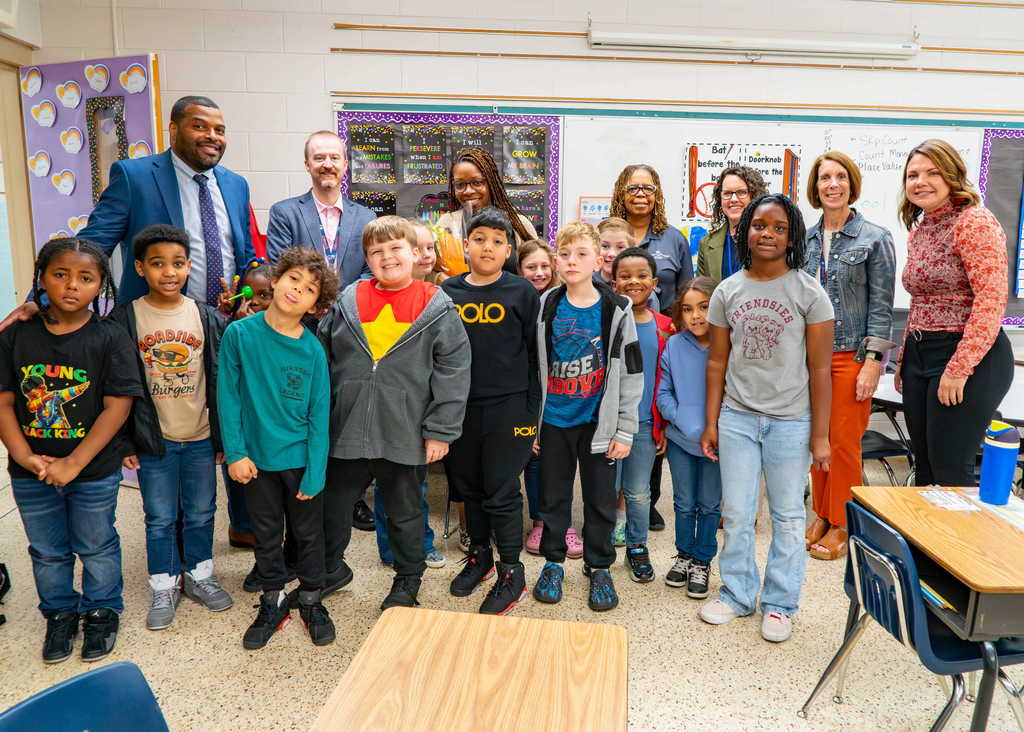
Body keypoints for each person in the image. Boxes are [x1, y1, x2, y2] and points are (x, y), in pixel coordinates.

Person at [0, 238, 143, 663]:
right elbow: (5, 402)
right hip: (32, 471)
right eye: (60, 274)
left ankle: (101, 608)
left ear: (101, 286)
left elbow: (119, 406)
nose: (71, 286)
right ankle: (59, 612)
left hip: (93, 468)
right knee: (46, 549)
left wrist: (75, 462)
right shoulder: (16, 337)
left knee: (96, 542)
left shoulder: (110, 338)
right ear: (41, 278)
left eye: (86, 278)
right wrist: (26, 457)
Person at [699, 194, 833, 644]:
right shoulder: (727, 291)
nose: (768, 234)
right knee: (736, 513)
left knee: (789, 517)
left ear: (793, 235)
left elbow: (819, 369)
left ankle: (780, 604)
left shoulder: (809, 292)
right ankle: (737, 593)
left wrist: (820, 437)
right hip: (737, 417)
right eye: (759, 225)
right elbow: (717, 362)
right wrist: (712, 421)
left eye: (779, 227)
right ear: (745, 231)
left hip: (791, 423)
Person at [318, 216, 470, 610]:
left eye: (396, 248)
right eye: (376, 252)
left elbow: (453, 372)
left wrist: (440, 430)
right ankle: (329, 568)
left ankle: (407, 579)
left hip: (405, 429)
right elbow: (322, 359)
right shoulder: (348, 301)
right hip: (346, 428)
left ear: (416, 253)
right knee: (332, 506)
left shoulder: (436, 306)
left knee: (405, 511)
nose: (387, 257)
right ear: (366, 258)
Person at [2, 97, 252, 318]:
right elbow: (93, 244)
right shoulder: (135, 176)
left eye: (219, 130)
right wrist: (41, 299)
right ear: (173, 130)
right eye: (199, 126)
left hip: (227, 322)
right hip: (152, 327)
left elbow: (244, 254)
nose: (212, 136)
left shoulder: (236, 185)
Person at [110, 224, 232, 631]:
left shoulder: (205, 316)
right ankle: (164, 583)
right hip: (154, 440)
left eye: (178, 263)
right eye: (158, 264)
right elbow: (117, 387)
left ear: (189, 266)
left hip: (199, 437)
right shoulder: (126, 319)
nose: (169, 272)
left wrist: (222, 437)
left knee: (201, 511)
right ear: (141, 268)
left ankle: (199, 576)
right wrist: (125, 440)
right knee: (159, 516)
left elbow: (219, 380)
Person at [217, 247, 339, 650]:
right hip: (255, 462)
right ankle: (273, 600)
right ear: (275, 278)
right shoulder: (240, 335)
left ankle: (311, 599)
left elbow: (320, 416)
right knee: (267, 535)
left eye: (308, 289)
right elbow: (228, 398)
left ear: (315, 305)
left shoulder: (312, 351)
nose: (296, 290)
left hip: (301, 460)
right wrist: (235, 453)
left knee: (308, 535)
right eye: (293, 280)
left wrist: (316, 471)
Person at [531, 221, 643, 613]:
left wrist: (625, 429)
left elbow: (631, 373)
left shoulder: (616, 310)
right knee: (553, 496)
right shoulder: (546, 305)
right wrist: (533, 423)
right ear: (555, 260)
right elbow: (535, 367)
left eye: (581, 254)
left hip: (600, 424)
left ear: (599, 261)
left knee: (599, 499)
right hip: (555, 421)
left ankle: (599, 567)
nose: (572, 261)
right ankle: (554, 562)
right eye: (565, 254)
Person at [896, 139, 1012, 488]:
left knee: (950, 472)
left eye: (932, 172)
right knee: (925, 468)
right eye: (913, 174)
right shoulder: (920, 230)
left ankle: (959, 544)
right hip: (920, 354)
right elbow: (920, 301)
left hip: (968, 356)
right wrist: (905, 357)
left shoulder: (974, 222)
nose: (920, 181)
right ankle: (921, 545)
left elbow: (991, 300)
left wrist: (959, 368)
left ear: (951, 175)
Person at [443, 207, 540, 615]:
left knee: (501, 491)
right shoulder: (447, 291)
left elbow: (538, 360)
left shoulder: (522, 292)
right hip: (460, 410)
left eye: (498, 241)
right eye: (480, 239)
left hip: (510, 409)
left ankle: (511, 571)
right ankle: (480, 557)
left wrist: (534, 421)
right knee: (470, 488)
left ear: (509, 250)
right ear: (466, 245)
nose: (488, 247)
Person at [802, 152, 896, 561]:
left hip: (851, 355)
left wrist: (874, 362)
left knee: (842, 443)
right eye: (825, 177)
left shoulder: (874, 237)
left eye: (840, 176)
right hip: (811, 358)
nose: (833, 184)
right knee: (816, 440)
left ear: (851, 184)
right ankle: (822, 512)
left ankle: (842, 521)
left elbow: (882, 306)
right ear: (816, 186)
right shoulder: (804, 238)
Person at [370, 218, 448, 572]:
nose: (426, 254)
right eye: (419, 247)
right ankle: (394, 549)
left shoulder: (442, 294)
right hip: (385, 411)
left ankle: (419, 544)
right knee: (393, 486)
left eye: (431, 247)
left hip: (421, 409)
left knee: (413, 487)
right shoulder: (374, 294)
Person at [611, 247, 673, 584]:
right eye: (625, 276)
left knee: (637, 492)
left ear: (654, 282)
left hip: (645, 423)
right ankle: (600, 545)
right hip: (606, 424)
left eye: (641, 275)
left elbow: (668, 379)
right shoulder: (605, 318)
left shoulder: (665, 327)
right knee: (605, 487)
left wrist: (663, 423)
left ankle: (637, 546)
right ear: (614, 282)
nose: (633, 281)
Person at [657, 276, 722, 599]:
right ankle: (683, 555)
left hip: (718, 446)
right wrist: (683, 421)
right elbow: (664, 393)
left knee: (709, 505)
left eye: (704, 307)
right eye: (688, 309)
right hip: (682, 440)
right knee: (683, 503)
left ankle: (702, 560)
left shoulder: (728, 345)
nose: (696, 316)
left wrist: (716, 430)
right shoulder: (673, 345)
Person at [517, 240, 582, 559]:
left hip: (559, 393)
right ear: (519, 270)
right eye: (531, 267)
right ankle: (540, 521)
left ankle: (564, 523)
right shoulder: (517, 299)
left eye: (545, 266)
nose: (540, 272)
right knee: (534, 457)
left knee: (560, 461)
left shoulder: (563, 301)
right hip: (525, 394)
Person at [265, 130, 377, 291]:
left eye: (334, 158)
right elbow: (278, 269)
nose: (327, 164)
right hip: (301, 312)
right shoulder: (284, 213)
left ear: (345, 165)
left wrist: (343, 304)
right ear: (307, 165)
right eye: (319, 158)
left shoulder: (366, 218)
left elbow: (370, 271)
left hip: (350, 312)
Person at [437, 148, 538, 272]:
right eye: (460, 185)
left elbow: (537, 269)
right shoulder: (445, 224)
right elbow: (429, 269)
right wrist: (439, 278)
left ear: (491, 182)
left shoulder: (519, 224)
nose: (468, 191)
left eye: (477, 182)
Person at [609, 164, 693, 313]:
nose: (641, 194)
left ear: (657, 195)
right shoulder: (606, 237)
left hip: (665, 330)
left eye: (648, 188)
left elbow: (687, 295)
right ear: (621, 194)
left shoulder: (675, 239)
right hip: (613, 327)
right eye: (632, 188)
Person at [696, 166, 769, 285]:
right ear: (720, 198)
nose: (733, 199)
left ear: (754, 196)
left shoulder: (770, 239)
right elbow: (702, 293)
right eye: (728, 193)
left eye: (741, 192)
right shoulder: (706, 244)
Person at [596, 217, 632, 287]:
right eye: (605, 246)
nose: (612, 254)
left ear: (631, 249)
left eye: (620, 247)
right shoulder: (585, 283)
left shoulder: (638, 286)